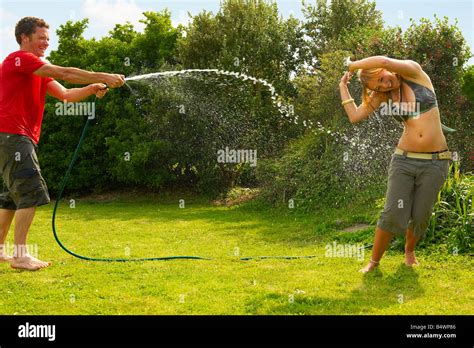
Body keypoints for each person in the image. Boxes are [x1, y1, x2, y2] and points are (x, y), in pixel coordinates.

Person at [0, 17, 125, 270]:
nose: (46, 42)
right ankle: (21, 256)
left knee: (11, 197)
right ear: (25, 37)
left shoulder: (35, 70)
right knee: (30, 191)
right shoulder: (20, 59)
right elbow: (65, 73)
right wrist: (105, 75)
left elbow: (66, 94)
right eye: (41, 38)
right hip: (13, 134)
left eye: (48, 38)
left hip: (14, 137)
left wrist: (91, 88)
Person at [339, 55, 452, 273]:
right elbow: (355, 116)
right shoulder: (384, 95)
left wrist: (353, 65)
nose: (384, 84)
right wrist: (343, 87)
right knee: (392, 213)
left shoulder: (414, 72)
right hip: (404, 161)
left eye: (381, 78)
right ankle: (374, 262)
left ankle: (409, 251)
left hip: (436, 162)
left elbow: (387, 61)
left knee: (421, 215)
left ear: (383, 69)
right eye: (378, 85)